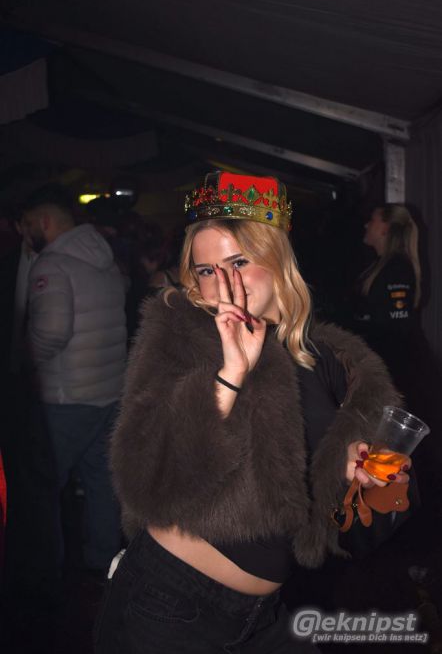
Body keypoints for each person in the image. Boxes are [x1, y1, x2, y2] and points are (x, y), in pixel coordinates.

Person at [95, 172, 411, 654]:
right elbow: (143, 479)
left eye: (239, 262)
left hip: (266, 617)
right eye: (206, 270)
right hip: (170, 604)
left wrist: (362, 483)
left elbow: (334, 527)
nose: (224, 283)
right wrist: (229, 376)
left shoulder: (330, 360)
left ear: (277, 260)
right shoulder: (180, 334)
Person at [22, 184, 127, 577]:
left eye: (27, 224)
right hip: (107, 393)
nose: (24, 233)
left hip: (65, 398)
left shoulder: (51, 265)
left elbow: (50, 333)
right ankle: (104, 564)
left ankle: (42, 573)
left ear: (45, 221)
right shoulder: (104, 259)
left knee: (42, 487)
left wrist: (23, 365)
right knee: (100, 482)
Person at [353, 203, 420, 389]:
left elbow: (394, 331)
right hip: (377, 367)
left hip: (388, 373)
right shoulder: (379, 266)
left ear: (385, 228)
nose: (366, 225)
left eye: (372, 220)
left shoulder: (398, 269)